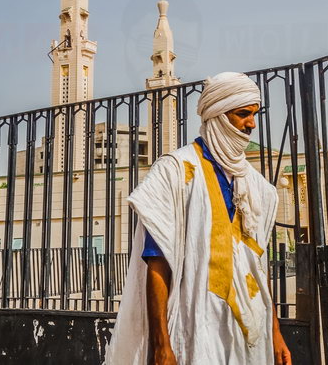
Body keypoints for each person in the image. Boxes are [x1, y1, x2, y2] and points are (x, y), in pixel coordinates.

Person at [105, 72, 292, 365]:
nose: (251, 124)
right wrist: (161, 344)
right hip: (195, 329)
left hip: (249, 333)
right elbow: (157, 263)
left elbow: (257, 266)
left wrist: (275, 332)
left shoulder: (257, 187)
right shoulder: (175, 172)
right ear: (218, 115)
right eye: (243, 114)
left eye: (255, 115)